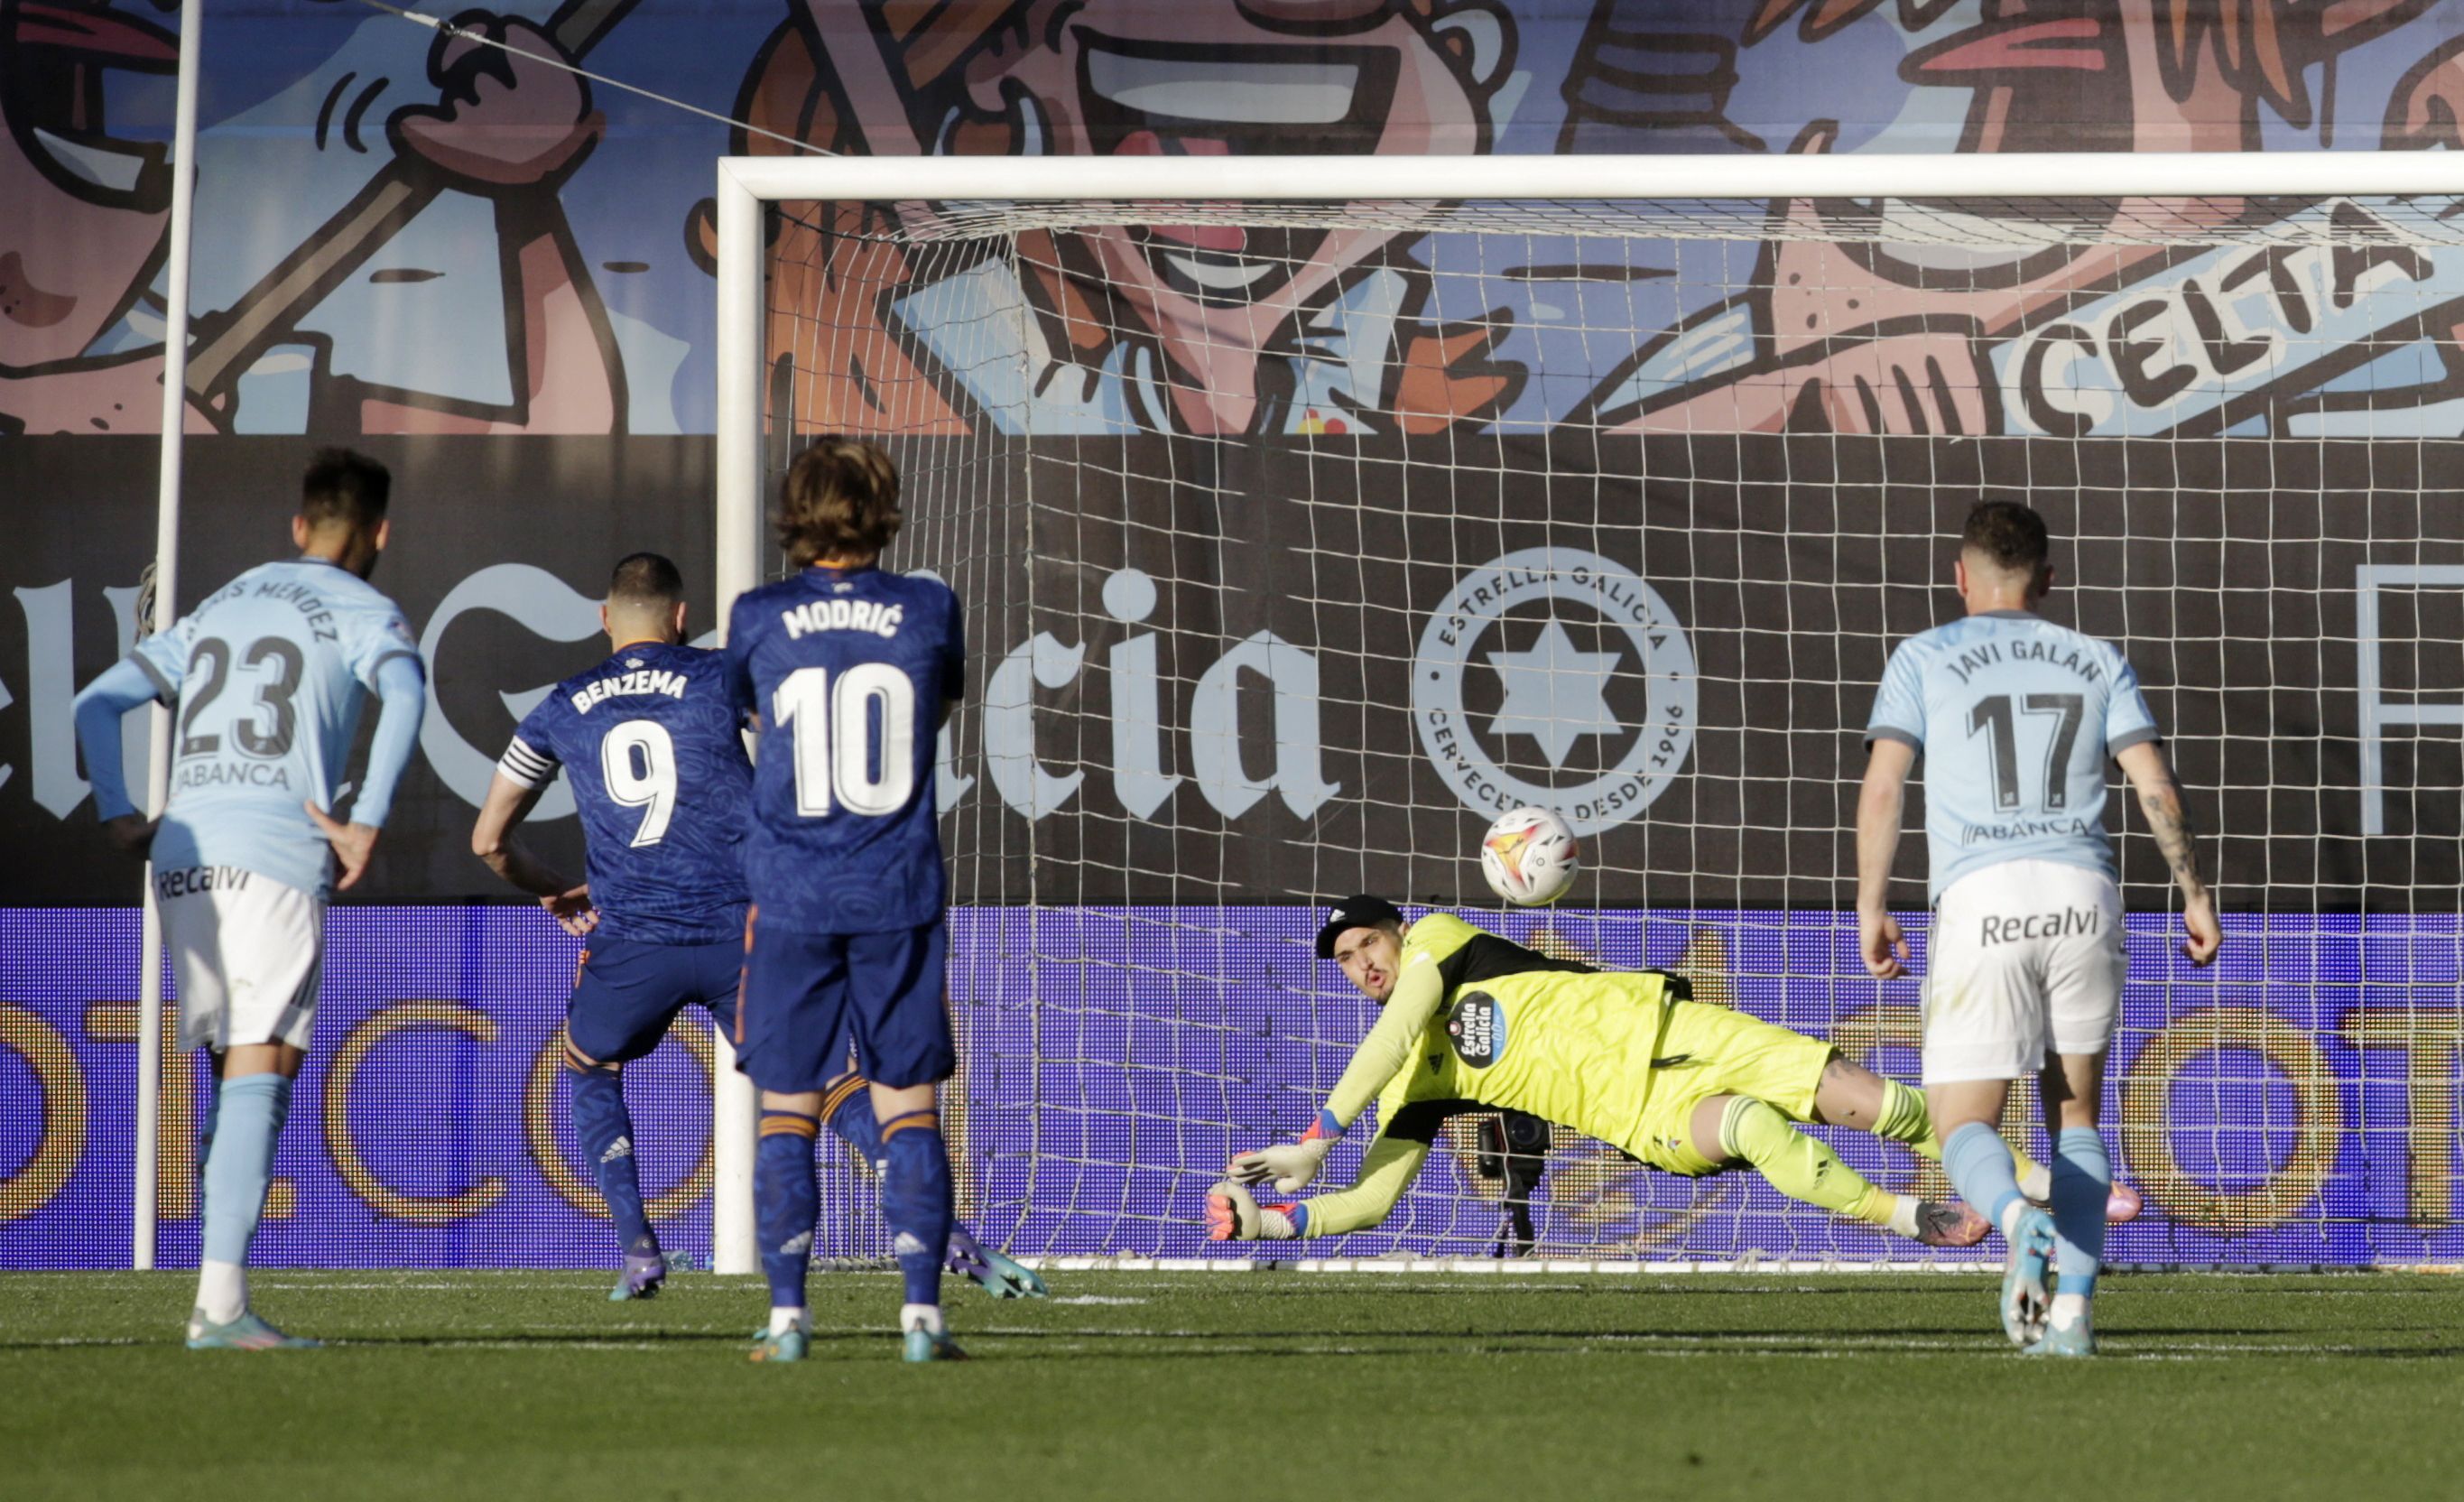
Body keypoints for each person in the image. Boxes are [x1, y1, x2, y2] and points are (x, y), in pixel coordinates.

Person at [472, 552, 1042, 1306]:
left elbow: (488, 841)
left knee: (588, 1066)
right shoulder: (716, 675)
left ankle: (637, 1249)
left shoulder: (562, 705)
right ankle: (949, 1237)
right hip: (747, 930)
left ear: (605, 619)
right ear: (681, 619)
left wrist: (553, 891)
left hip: (634, 938)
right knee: (828, 1086)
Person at [1212, 895, 2134, 1253]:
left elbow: (1403, 1019)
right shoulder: (1414, 1075)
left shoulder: (1442, 943)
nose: (1361, 963)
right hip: (1639, 1110)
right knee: (1754, 1130)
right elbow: (1373, 1201)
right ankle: (1916, 1217)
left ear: (1398, 932)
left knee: (1875, 1101)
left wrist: (1313, 1136)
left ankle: (2051, 1183)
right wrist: (1273, 1214)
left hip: (1677, 1025)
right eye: (1343, 959)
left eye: (1367, 940)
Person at [71, 448, 427, 1349]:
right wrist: (368, 819)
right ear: (379, 533)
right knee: (261, 1067)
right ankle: (220, 1305)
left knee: (244, 1070)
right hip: (273, 848)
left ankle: (220, 1285)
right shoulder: (363, 607)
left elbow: (93, 704)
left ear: (299, 525)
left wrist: (120, 810)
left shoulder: (225, 601)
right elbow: (405, 687)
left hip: (183, 853)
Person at [1857, 501, 2220, 1357]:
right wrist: (2195, 893)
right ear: (2049, 581)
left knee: (1963, 1124)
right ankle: (2070, 1321)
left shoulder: (1923, 655)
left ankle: (2019, 1220)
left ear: (1960, 576)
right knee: (2079, 1119)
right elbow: (2154, 785)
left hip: (1983, 897)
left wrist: (1873, 906)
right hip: (2083, 893)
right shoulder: (2096, 657)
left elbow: (1884, 788)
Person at [725, 438, 972, 1363]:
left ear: (793, 513)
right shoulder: (928, 604)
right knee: (908, 1103)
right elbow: (933, 705)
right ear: (884, 507)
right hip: (896, 885)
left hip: (791, 890)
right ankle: (921, 1317)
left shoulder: (756, 614)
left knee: (787, 1104)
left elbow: (750, 710)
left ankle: (789, 1318)